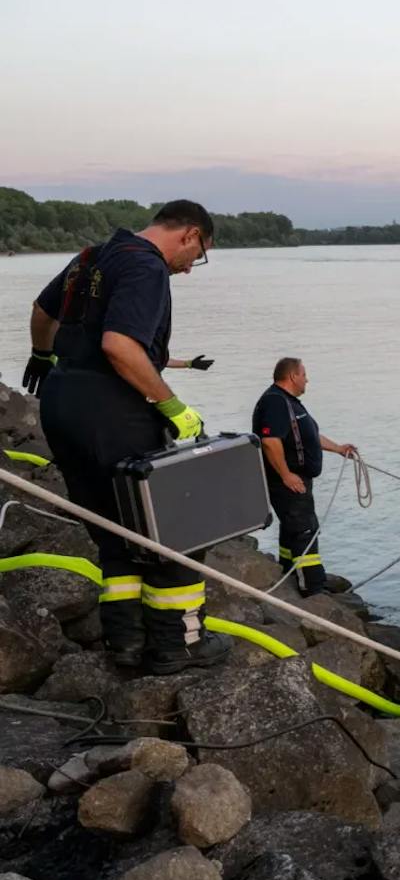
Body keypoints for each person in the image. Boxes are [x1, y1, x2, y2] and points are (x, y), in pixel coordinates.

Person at [25, 200, 229, 674]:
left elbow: (42, 310)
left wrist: (41, 354)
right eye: (197, 257)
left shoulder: (91, 256)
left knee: (113, 530)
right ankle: (179, 641)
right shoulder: (146, 265)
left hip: (60, 404)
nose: (189, 270)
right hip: (112, 409)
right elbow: (120, 345)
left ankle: (127, 643)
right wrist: (172, 406)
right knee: (171, 525)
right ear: (190, 234)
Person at [251, 357, 356, 596]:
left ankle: (288, 569)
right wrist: (286, 475)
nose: (307, 379)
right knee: (304, 529)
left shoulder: (291, 403)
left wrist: (338, 448)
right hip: (286, 480)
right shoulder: (276, 402)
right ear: (292, 376)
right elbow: (269, 441)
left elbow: (309, 435)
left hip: (297, 478)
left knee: (293, 527)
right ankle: (312, 587)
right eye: (304, 374)